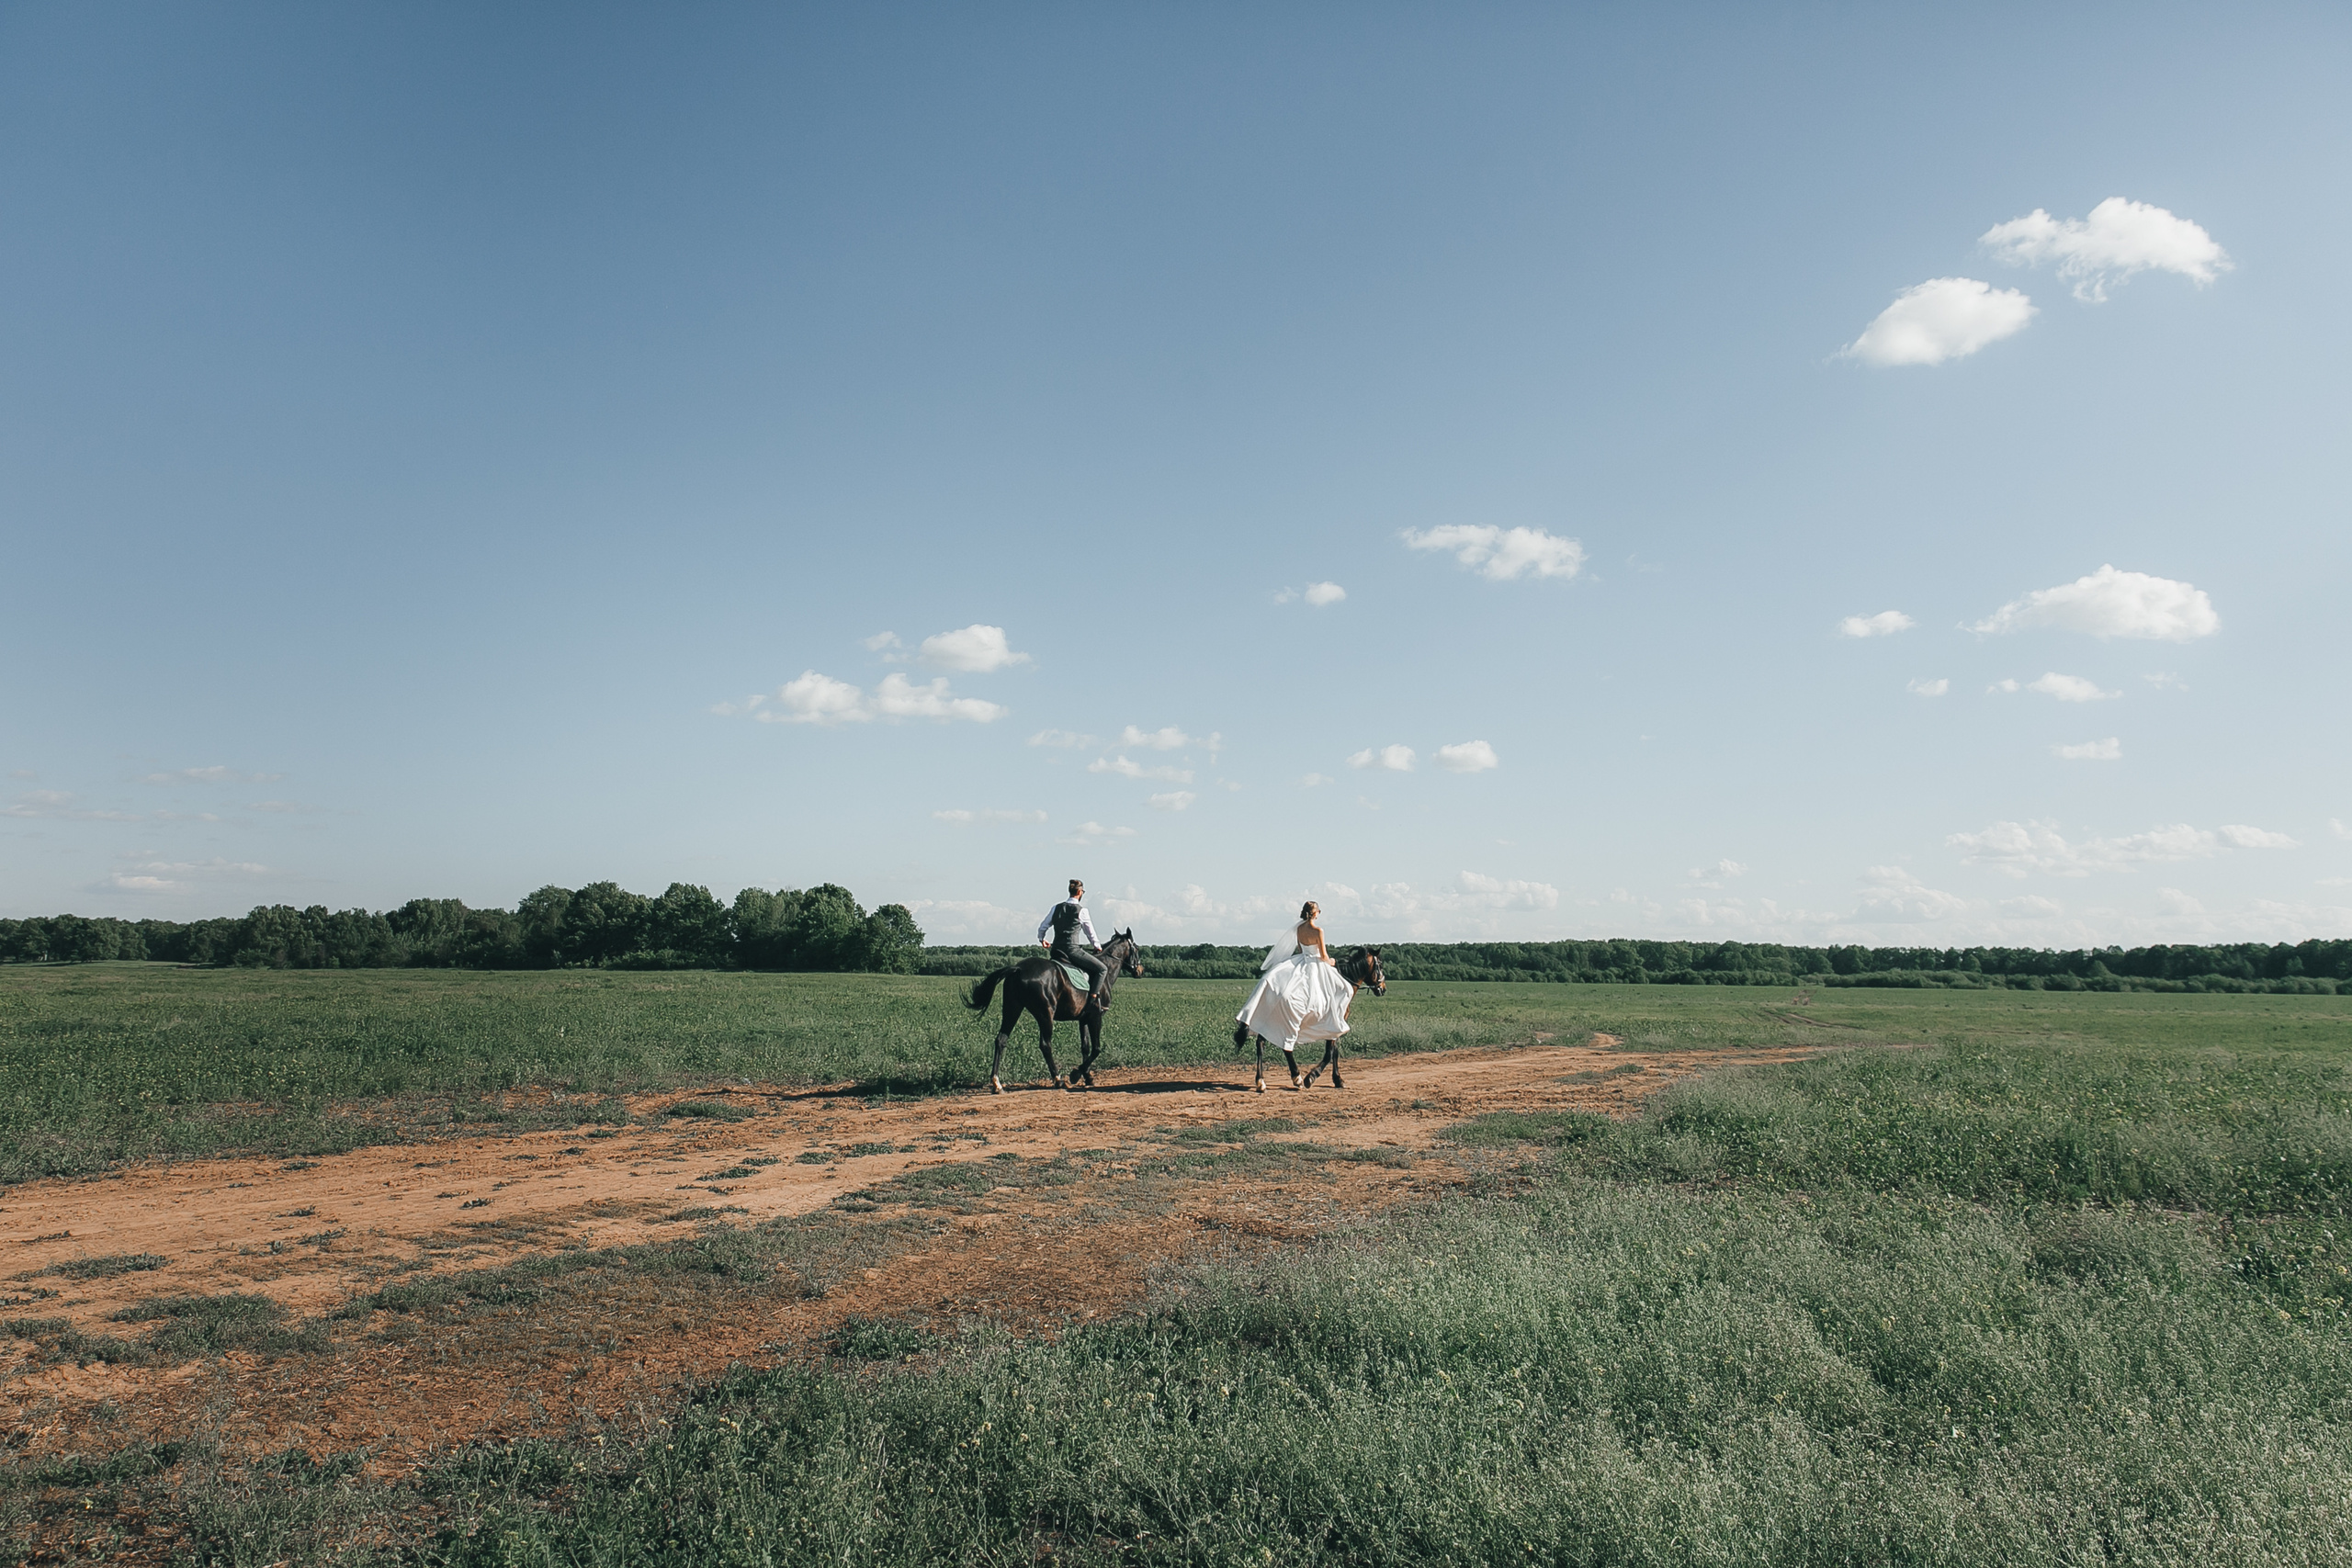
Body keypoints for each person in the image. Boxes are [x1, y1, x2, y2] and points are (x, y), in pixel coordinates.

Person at [1234, 899, 1355, 1062]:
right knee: (1344, 989)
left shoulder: (1299, 929)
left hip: (1301, 960)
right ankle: (1330, 1021)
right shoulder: (1318, 930)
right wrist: (1332, 962)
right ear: (1314, 913)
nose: (1320, 913)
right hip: (1315, 964)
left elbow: (1300, 949)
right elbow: (1324, 956)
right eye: (1319, 910)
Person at [1036, 878, 1108, 1005]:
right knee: (1102, 969)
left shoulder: (1056, 908)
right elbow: (1090, 933)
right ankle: (1092, 1000)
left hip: (1056, 951)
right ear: (1080, 892)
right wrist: (1097, 946)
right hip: (1072, 951)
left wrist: (1042, 939)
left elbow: (1043, 926)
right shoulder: (1082, 911)